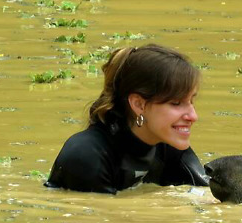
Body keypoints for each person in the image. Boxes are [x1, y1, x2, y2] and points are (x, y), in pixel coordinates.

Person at [44, 44, 209, 194]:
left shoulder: (167, 145)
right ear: (139, 105)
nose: (193, 116)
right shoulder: (86, 155)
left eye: (191, 101)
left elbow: (208, 194)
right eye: (176, 103)